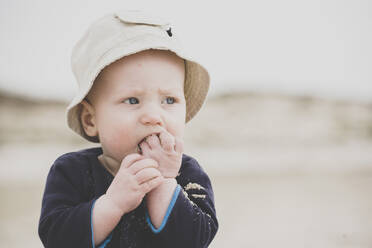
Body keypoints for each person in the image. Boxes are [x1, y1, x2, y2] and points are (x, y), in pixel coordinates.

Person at [38, 10, 218, 248]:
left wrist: (165, 182)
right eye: (133, 100)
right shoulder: (71, 171)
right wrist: (112, 204)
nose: (154, 117)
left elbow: (196, 240)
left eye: (169, 100)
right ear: (91, 120)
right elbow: (57, 238)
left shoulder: (187, 172)